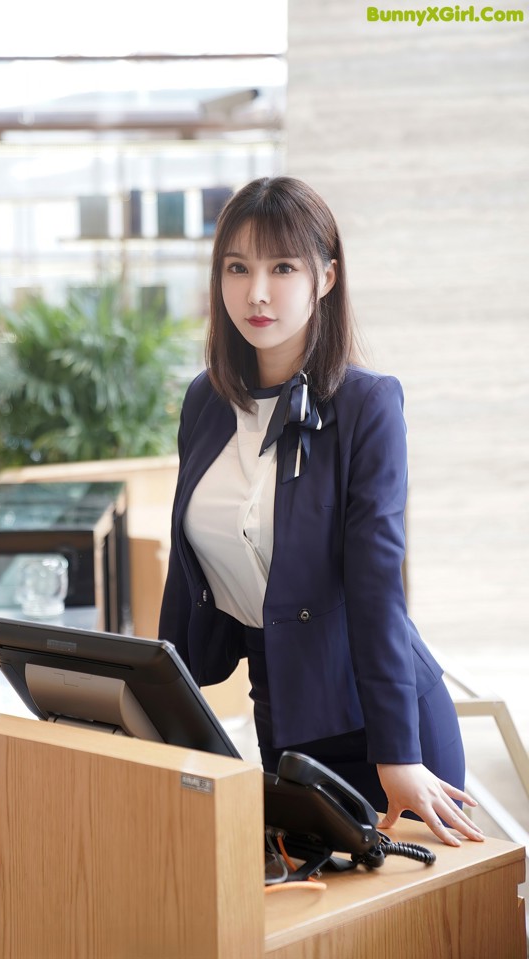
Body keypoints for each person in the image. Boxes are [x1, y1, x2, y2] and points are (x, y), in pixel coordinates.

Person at [158, 176, 484, 847]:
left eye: (282, 267)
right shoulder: (204, 403)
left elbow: (376, 588)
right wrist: (161, 706)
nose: (256, 292)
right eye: (237, 267)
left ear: (326, 277)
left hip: (381, 722)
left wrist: (399, 753)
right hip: (279, 702)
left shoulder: (367, 406)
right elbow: (192, 569)